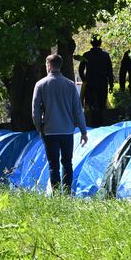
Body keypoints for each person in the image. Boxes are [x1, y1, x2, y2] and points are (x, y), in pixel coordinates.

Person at [32, 53, 89, 194]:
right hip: (67, 130)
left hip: (50, 131)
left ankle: (57, 194)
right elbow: (78, 110)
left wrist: (40, 127)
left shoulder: (40, 85)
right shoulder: (70, 85)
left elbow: (35, 111)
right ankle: (68, 192)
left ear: (49, 66)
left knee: (53, 165)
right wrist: (83, 131)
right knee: (67, 163)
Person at [78, 35, 114, 126]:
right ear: (100, 43)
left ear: (91, 43)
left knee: (91, 104)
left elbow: (80, 69)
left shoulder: (86, 55)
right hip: (102, 82)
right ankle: (102, 123)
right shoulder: (105, 55)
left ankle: (92, 123)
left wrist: (84, 79)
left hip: (90, 83)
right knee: (102, 104)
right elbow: (110, 71)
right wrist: (111, 84)